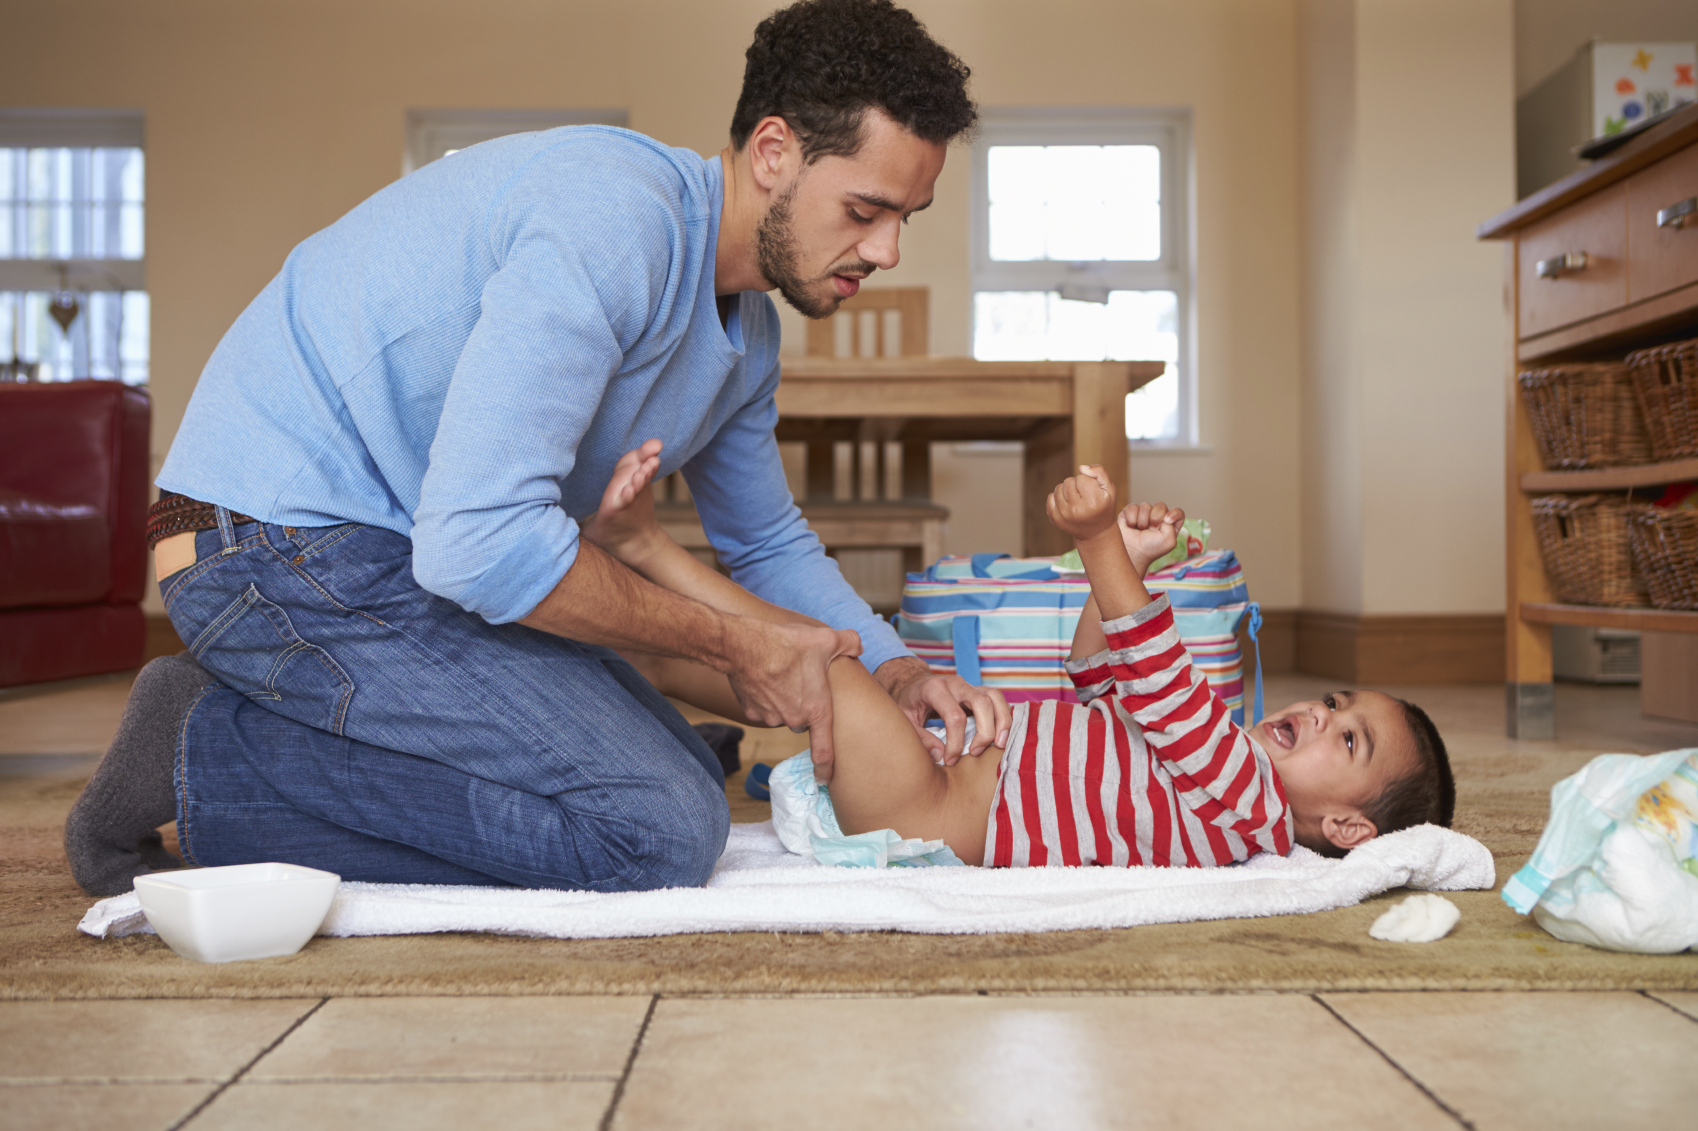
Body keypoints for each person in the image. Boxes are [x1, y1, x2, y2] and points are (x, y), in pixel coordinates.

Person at [63, 0, 1013, 898]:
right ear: (774, 152)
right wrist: (734, 640)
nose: (887, 251)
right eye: (864, 211)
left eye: (905, 220)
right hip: (267, 541)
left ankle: (260, 699)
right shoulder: (617, 219)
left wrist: (894, 667)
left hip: (387, 559)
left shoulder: (750, 335)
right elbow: (476, 540)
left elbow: (766, 540)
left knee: (682, 762)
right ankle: (201, 745)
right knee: (657, 828)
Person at [590, 448, 1457, 867]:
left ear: (1347, 827)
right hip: (935, 760)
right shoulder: (1208, 767)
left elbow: (1155, 668)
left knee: (826, 660)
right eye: (1339, 702)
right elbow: (1097, 673)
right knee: (753, 682)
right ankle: (624, 651)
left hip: (931, 805)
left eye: (1347, 742)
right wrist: (1118, 568)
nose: (1323, 715)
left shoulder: (1246, 805)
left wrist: (1097, 544)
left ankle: (653, 556)